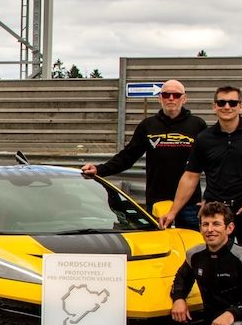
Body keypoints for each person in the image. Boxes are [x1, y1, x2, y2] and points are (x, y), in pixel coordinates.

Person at [159, 86, 242, 250]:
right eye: (221, 103)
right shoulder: (204, 138)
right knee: (214, 260)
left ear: (241, 106)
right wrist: (172, 212)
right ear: (214, 106)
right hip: (215, 212)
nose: (227, 107)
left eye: (232, 103)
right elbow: (190, 177)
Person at [81, 79, 206, 229]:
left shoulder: (198, 125)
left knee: (192, 242)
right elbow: (128, 156)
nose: (171, 98)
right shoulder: (148, 126)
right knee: (159, 241)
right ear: (160, 98)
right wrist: (99, 169)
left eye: (176, 95)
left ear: (184, 98)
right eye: (166, 95)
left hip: (189, 203)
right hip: (157, 200)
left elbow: (210, 162)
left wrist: (209, 198)